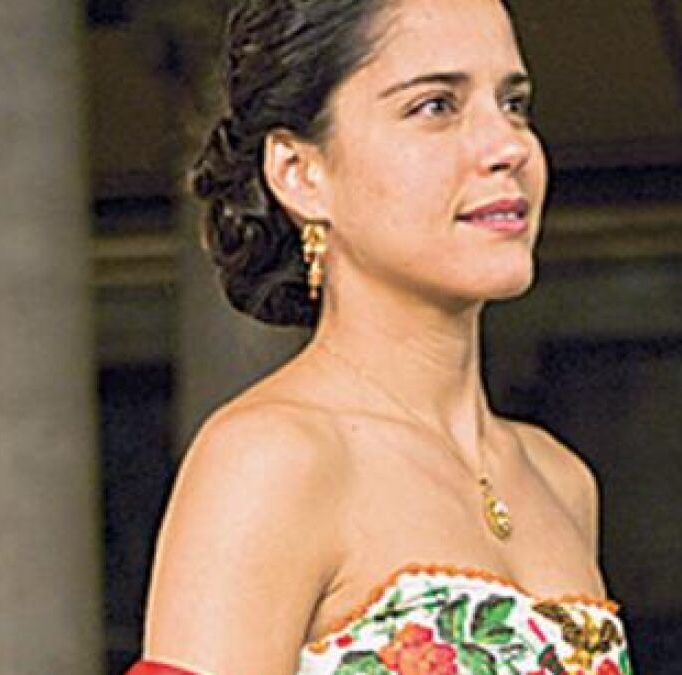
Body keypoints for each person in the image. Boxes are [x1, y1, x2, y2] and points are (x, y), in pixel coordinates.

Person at [131, 0, 634, 673]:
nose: (508, 146)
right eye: (435, 106)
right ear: (300, 173)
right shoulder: (271, 458)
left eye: (513, 104)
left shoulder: (559, 479)